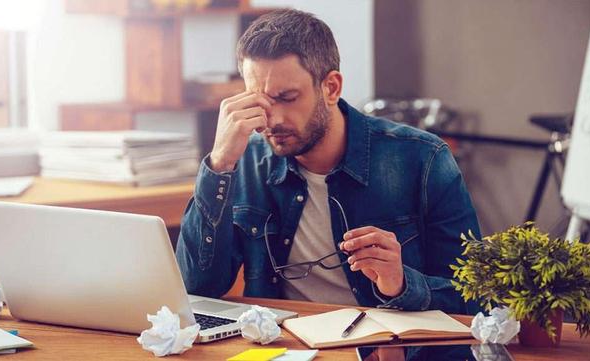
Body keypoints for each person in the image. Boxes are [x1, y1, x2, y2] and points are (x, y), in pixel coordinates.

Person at [176, 9, 481, 314]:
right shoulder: (244, 160)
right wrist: (219, 164)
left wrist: (401, 283)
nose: (273, 119)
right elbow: (197, 289)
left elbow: (475, 299)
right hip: (283, 346)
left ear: (331, 87)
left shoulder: (424, 159)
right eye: (261, 101)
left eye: (287, 97)